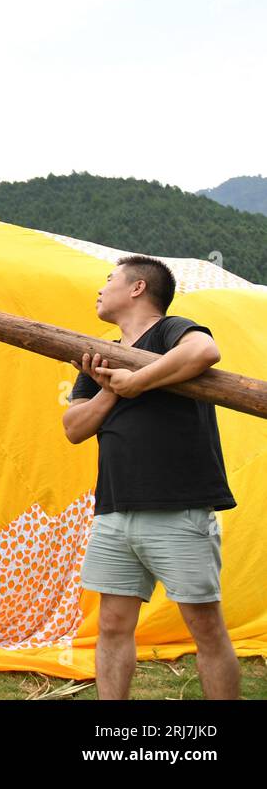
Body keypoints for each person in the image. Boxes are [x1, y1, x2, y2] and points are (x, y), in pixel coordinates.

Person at [63, 255, 238, 700]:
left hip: (178, 510)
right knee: (112, 625)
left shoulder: (171, 330)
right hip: (114, 511)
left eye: (109, 279)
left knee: (206, 629)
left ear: (138, 288)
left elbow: (204, 352)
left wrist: (139, 381)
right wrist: (109, 388)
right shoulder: (99, 353)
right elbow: (74, 428)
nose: (101, 288)